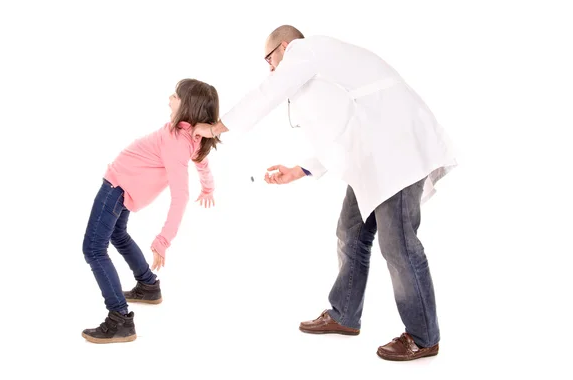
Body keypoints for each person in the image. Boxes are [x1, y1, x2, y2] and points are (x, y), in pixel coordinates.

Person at [192, 25, 457, 361]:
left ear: (285, 47)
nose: (271, 69)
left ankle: (423, 337)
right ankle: (344, 314)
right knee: (351, 232)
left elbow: (266, 93)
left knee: (399, 245)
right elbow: (343, 131)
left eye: (270, 59)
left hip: (398, 151)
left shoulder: (306, 51)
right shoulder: (328, 74)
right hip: (376, 156)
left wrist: (216, 127)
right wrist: (300, 170)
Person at [81, 78, 220, 344]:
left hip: (116, 187)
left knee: (93, 249)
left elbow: (180, 196)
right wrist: (209, 187)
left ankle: (120, 318)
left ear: (188, 106)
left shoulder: (178, 141)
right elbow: (201, 162)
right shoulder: (191, 135)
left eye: (176, 96)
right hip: (124, 189)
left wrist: (163, 240)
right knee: (118, 235)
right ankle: (147, 285)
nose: (170, 98)